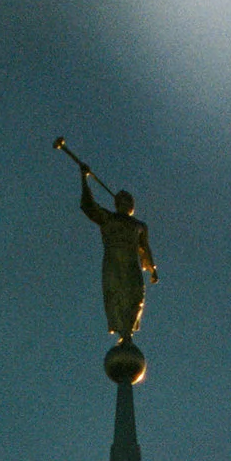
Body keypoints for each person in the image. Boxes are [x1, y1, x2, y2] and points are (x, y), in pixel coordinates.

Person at [57, 142, 157, 347]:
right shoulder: (109, 218)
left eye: (128, 201)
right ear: (118, 203)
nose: (126, 203)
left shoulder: (139, 225)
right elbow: (88, 206)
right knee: (115, 295)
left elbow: (145, 249)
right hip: (113, 259)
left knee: (136, 295)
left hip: (131, 262)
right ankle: (123, 332)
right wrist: (84, 179)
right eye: (123, 200)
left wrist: (152, 268)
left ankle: (128, 332)